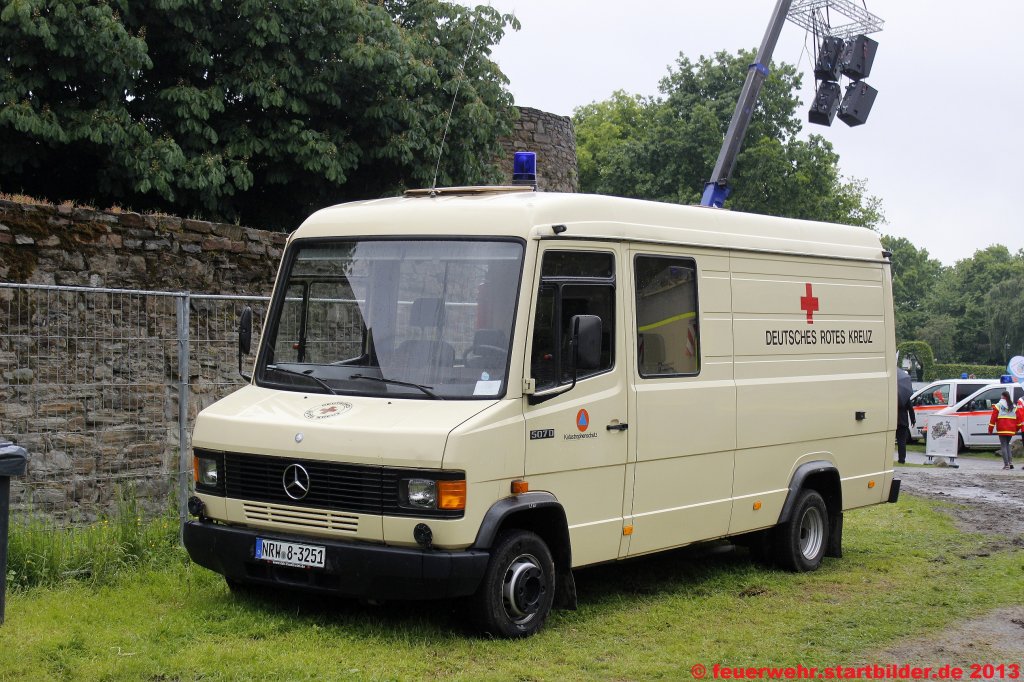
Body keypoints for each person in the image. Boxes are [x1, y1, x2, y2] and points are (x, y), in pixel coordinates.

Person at [987, 391, 1020, 470]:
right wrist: (1016, 429)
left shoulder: (998, 405)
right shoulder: (1013, 406)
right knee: (1007, 444)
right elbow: (1019, 419)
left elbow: (993, 418)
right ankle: (1010, 462)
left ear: (1002, 396)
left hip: (1002, 428)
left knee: (1003, 445)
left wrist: (990, 429)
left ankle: (1006, 465)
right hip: (1011, 429)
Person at [896, 369, 916, 464]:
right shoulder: (904, 395)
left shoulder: (890, 394)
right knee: (901, 441)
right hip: (903, 421)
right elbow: (910, 408)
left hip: (892, 420)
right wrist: (913, 420)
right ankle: (902, 459)